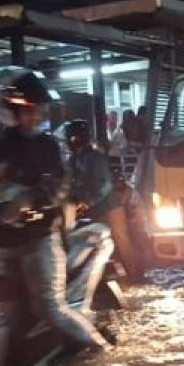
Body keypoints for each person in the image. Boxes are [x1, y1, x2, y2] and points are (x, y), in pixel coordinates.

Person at [0, 66, 109, 354]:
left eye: (37, 110)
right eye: (28, 110)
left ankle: (101, 352)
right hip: (1, 238)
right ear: (12, 112)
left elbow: (59, 184)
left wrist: (34, 199)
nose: (34, 116)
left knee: (51, 308)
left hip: (40, 234)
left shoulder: (48, 146)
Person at [65, 118, 142, 278]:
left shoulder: (95, 158)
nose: (71, 141)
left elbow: (104, 185)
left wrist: (87, 202)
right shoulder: (72, 161)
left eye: (73, 137)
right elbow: (68, 183)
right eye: (70, 138)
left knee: (122, 242)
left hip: (109, 208)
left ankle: (136, 277)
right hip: (89, 211)